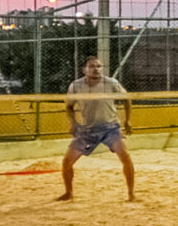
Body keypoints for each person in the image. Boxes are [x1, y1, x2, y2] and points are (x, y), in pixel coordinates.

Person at [58, 56, 135, 201]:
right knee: (67, 162)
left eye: (99, 66)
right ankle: (69, 193)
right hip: (88, 130)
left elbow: (127, 99)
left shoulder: (111, 83)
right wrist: (73, 123)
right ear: (84, 70)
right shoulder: (76, 86)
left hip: (110, 128)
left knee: (125, 156)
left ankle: (131, 193)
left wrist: (128, 120)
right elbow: (69, 107)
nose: (96, 69)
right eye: (92, 66)